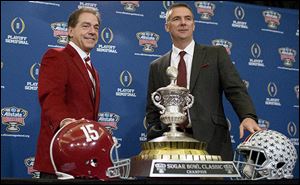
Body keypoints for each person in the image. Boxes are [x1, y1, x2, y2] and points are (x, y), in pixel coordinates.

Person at [145, 3, 261, 161]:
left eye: (188, 18)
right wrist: (156, 132)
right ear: (167, 26)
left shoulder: (216, 54)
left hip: (211, 142)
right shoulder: (157, 66)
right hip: (170, 146)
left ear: (194, 25)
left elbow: (236, 90)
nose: (183, 23)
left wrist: (247, 116)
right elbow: (153, 109)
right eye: (176, 19)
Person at [33, 7, 101, 179]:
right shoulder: (57, 56)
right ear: (70, 31)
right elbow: (51, 97)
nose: (92, 31)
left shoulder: (92, 69)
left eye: (96, 27)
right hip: (59, 161)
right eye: (86, 26)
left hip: (84, 162)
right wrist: (64, 122)